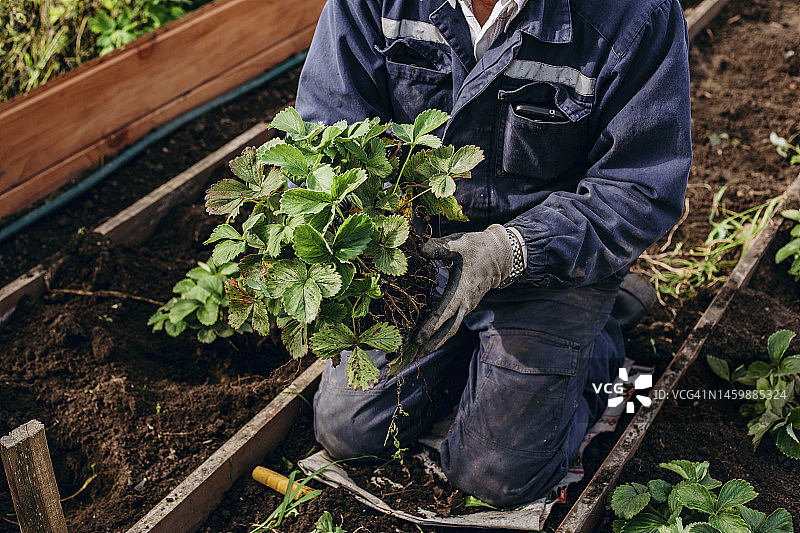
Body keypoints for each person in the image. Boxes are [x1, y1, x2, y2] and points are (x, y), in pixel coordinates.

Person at [294, 0, 691, 506]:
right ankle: (482, 357)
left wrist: (509, 251)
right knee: (349, 432)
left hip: (551, 263)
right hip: (422, 256)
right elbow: (327, 128)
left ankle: (598, 344)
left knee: (494, 474)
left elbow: (639, 189)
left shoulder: (636, 14)